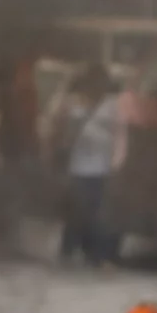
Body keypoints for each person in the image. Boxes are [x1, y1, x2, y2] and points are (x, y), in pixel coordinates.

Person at [56, 67, 126, 265]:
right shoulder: (73, 103)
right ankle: (68, 250)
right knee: (77, 211)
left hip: (103, 167)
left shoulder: (114, 105)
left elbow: (121, 134)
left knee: (98, 212)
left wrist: (118, 162)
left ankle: (94, 253)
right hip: (78, 166)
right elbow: (59, 126)